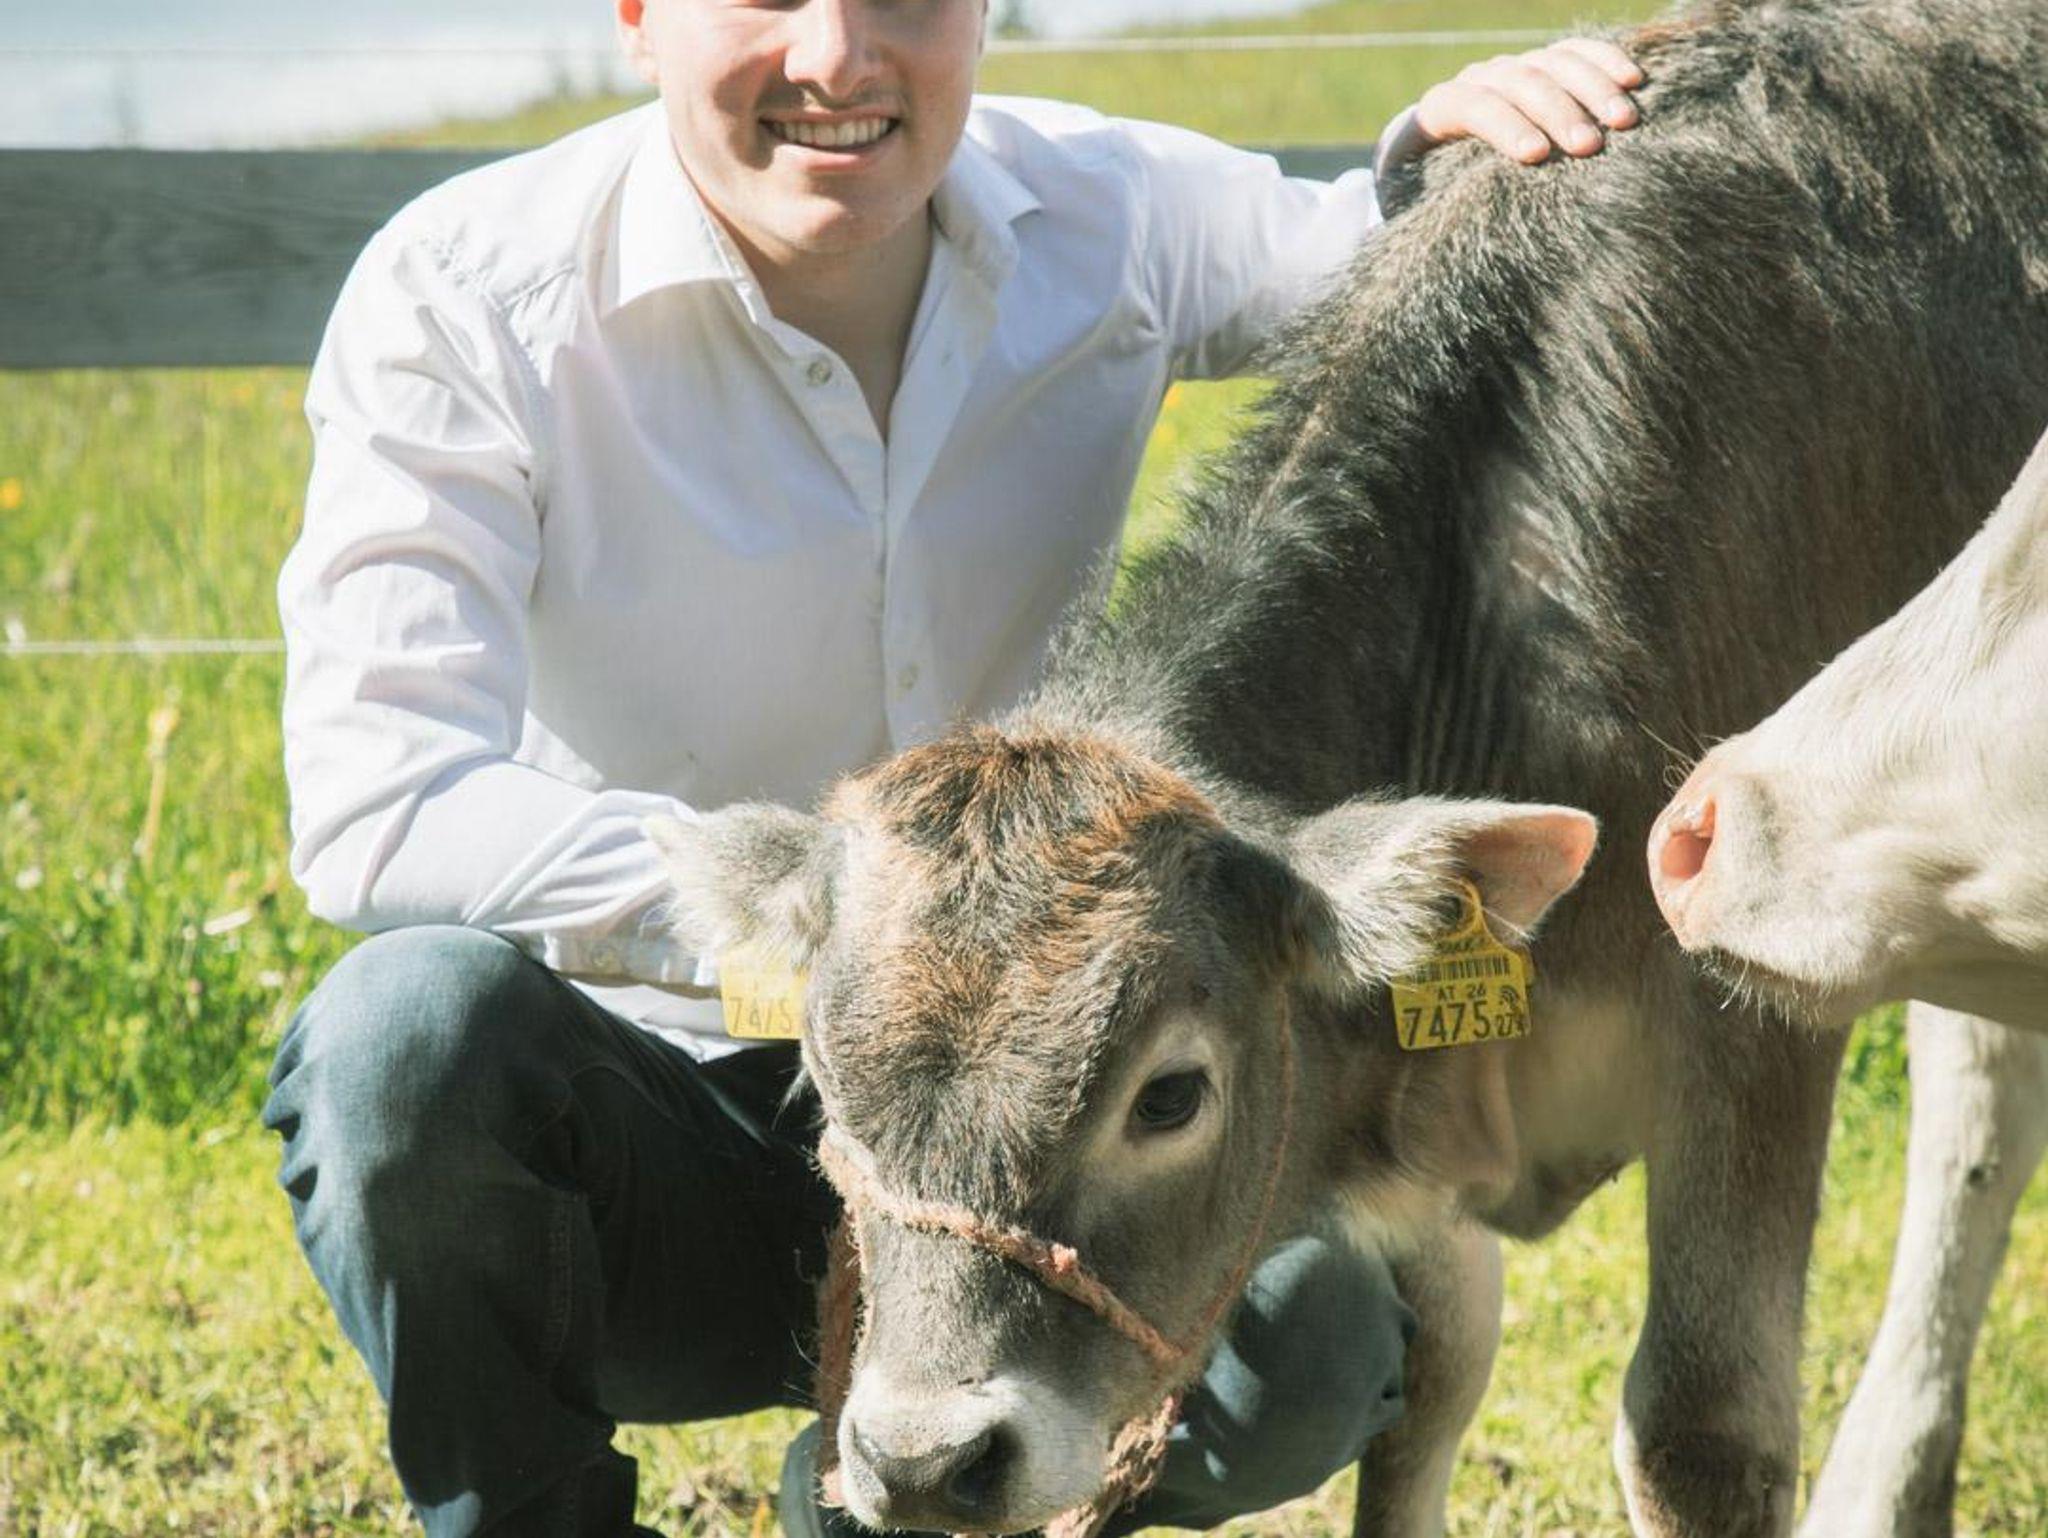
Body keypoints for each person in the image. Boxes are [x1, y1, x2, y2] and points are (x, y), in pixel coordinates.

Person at [262, 4, 1645, 1535]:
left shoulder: (1105, 212)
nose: (839, 59)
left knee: (1311, 1338)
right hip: (648, 1129)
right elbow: (379, 798)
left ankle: (902, 1495)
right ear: (641, 16)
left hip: (1055, 1147)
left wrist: (1463, 147)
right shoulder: (467, 291)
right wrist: (837, 920)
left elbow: (1378, 255)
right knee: (397, 1039)